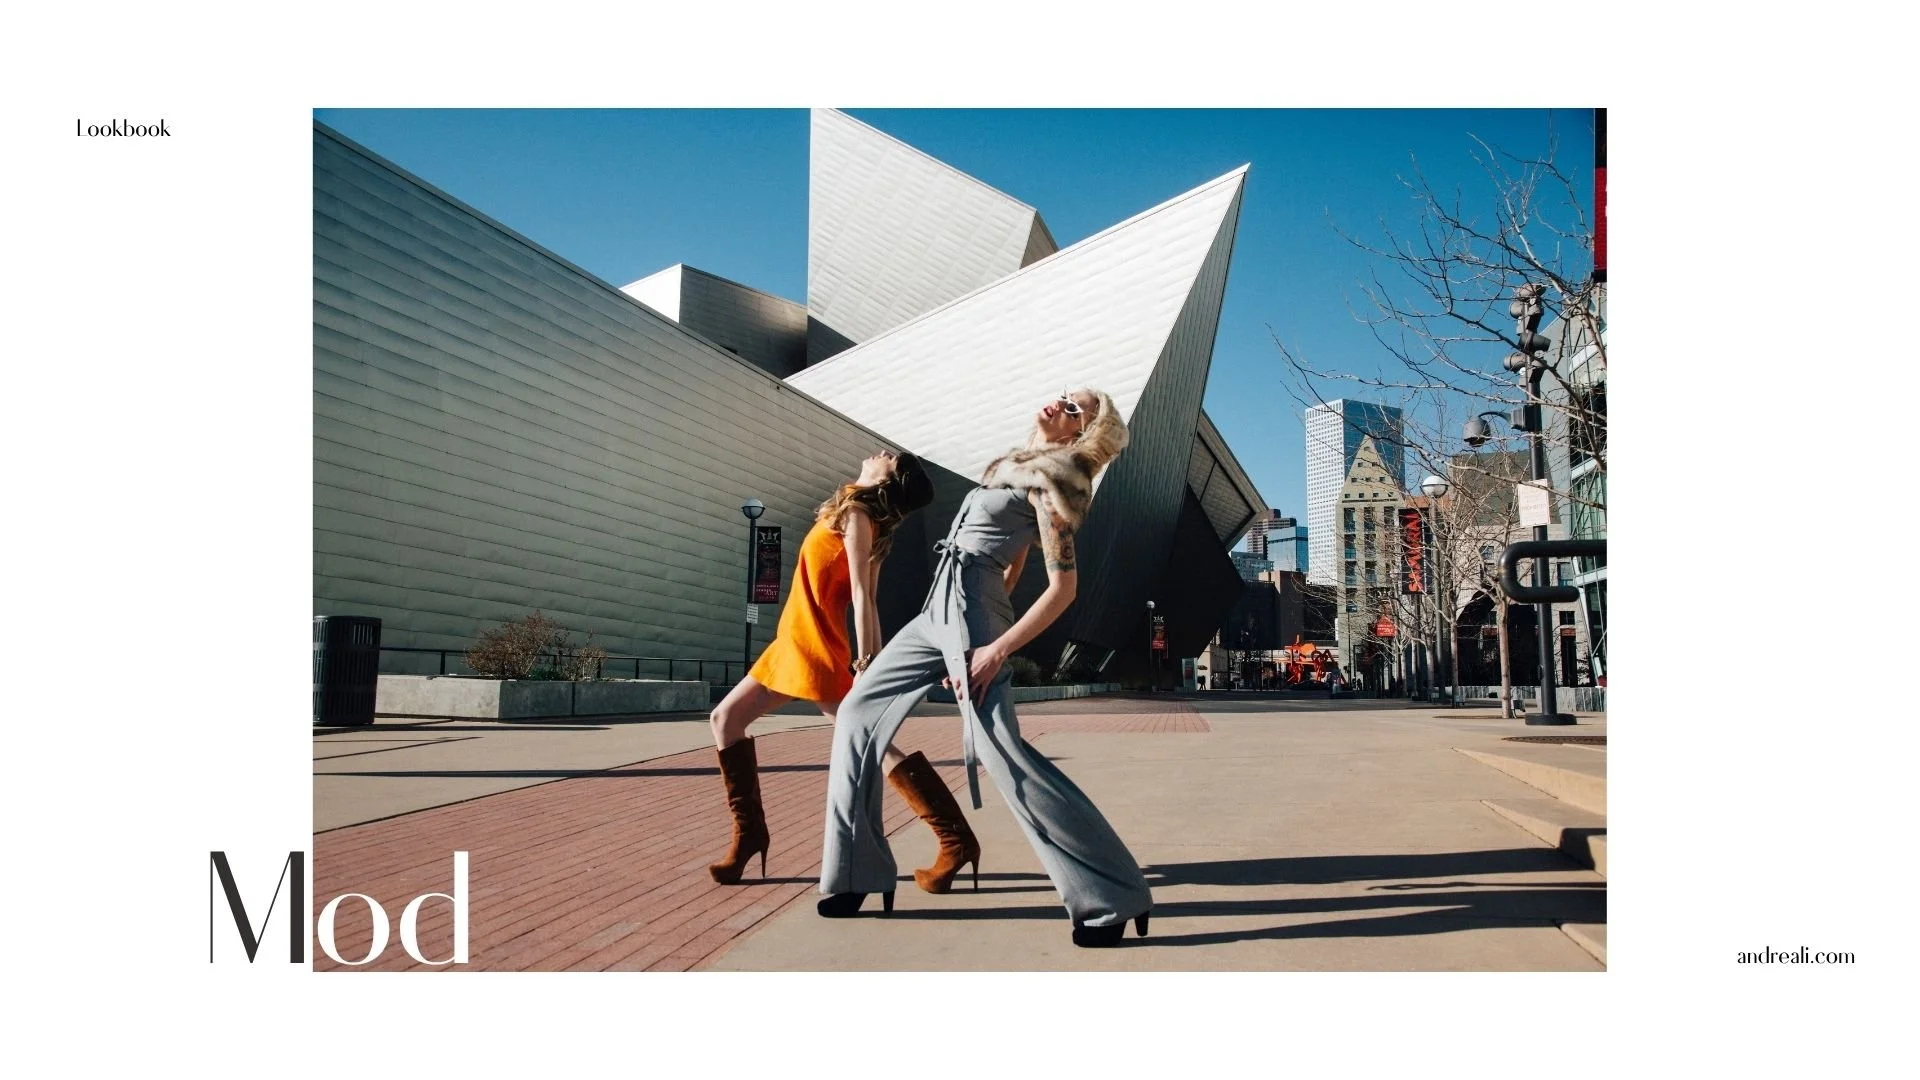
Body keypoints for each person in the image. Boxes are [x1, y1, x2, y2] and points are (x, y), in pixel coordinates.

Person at [814, 388, 1153, 948]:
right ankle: (856, 874)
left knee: (1004, 754)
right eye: (1065, 397)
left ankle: (1112, 895)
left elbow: (1064, 588)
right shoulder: (1010, 467)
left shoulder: (1057, 482)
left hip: (973, 617)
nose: (1061, 405)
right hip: (935, 612)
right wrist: (965, 628)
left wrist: (992, 647)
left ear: (1083, 435)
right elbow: (1015, 564)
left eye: (1077, 410)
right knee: (856, 712)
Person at [705, 449, 952, 886]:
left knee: (869, 741)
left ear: (886, 482)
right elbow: (869, 601)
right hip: (792, 640)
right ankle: (749, 836)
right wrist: (870, 665)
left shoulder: (858, 514)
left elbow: (863, 596)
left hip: (816, 645)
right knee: (725, 718)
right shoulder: (861, 516)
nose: (881, 452)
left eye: (891, 459)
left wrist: (866, 666)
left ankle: (952, 836)